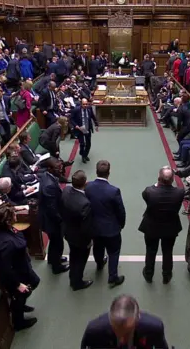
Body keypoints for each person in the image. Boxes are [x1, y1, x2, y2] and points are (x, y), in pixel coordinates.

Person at [0, 203, 39, 331]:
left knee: (34, 282)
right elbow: (5, 268)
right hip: (15, 274)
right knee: (21, 293)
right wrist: (17, 284)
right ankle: (19, 322)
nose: (15, 216)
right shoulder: (7, 243)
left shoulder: (1, 229)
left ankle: (20, 305)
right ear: (7, 220)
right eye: (13, 215)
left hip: (22, 266)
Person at [138, 167, 185, 284]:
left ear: (159, 178)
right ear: (173, 179)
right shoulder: (179, 193)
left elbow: (144, 195)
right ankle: (167, 275)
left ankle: (149, 274)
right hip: (170, 227)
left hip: (152, 226)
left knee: (150, 251)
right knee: (168, 251)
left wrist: (156, 184)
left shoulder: (149, 191)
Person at [85, 160, 126, 288]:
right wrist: (120, 225)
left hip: (95, 227)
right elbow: (120, 211)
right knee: (113, 252)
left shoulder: (88, 187)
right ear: (109, 173)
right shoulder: (114, 191)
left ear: (96, 171)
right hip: (111, 229)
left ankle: (99, 263)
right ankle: (113, 276)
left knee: (98, 246)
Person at [81, 294, 169, 349]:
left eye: (127, 333)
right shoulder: (94, 331)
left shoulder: (154, 329)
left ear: (138, 317)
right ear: (110, 318)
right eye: (117, 331)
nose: (122, 340)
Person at [60, 170, 94, 291]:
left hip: (68, 232)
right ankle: (77, 282)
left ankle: (72, 276)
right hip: (81, 238)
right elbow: (86, 227)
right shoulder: (85, 203)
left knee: (73, 255)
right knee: (81, 260)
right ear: (85, 183)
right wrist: (89, 241)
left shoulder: (66, 191)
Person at [38, 158, 69, 274]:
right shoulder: (49, 185)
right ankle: (57, 267)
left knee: (54, 241)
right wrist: (61, 220)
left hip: (48, 216)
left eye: (60, 168)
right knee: (58, 243)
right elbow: (52, 208)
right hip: (51, 220)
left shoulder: (47, 176)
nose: (60, 170)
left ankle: (52, 259)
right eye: (57, 169)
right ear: (50, 169)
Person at [70, 98, 99, 163]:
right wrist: (76, 125)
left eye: (86, 104)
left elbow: (93, 117)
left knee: (88, 144)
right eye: (84, 104)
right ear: (81, 104)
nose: (85, 105)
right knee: (82, 144)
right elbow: (71, 119)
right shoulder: (76, 110)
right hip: (80, 128)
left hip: (87, 128)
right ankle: (83, 156)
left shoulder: (89, 108)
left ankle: (85, 155)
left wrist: (96, 125)